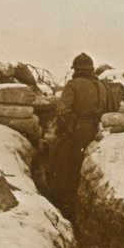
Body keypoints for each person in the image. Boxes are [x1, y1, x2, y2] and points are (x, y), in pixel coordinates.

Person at [47, 52, 109, 221]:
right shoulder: (102, 86)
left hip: (77, 131)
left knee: (61, 169)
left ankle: (65, 210)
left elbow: (63, 111)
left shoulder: (73, 85)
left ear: (75, 69)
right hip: (96, 130)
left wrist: (61, 129)